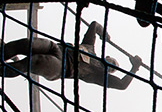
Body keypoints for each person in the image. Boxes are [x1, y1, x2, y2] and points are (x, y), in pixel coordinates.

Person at [1, 21, 143, 90]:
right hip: (57, 49)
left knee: (32, 62)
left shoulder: (98, 74)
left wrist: (134, 68)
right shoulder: (89, 47)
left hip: (61, 67)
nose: (110, 65)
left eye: (112, 69)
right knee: (26, 44)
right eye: (112, 62)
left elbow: (122, 85)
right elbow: (94, 25)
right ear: (107, 57)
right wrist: (104, 34)